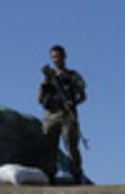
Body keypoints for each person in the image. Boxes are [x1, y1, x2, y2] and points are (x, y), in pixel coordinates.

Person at [38, 44, 87, 183]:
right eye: (53, 57)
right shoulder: (48, 77)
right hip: (51, 115)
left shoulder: (72, 76)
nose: (56, 60)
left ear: (64, 57)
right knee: (49, 145)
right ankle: (50, 175)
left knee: (71, 145)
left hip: (67, 115)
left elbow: (83, 95)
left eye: (58, 56)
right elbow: (40, 98)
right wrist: (47, 81)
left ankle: (76, 175)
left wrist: (73, 102)